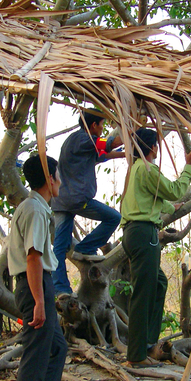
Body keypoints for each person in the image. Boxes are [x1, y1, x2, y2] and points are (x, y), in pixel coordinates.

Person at [121, 128, 191, 368]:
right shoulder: (148, 168)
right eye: (158, 144)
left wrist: (171, 208)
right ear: (152, 147)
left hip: (134, 233)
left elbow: (153, 199)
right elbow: (175, 189)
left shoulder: (135, 170)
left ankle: (147, 344)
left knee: (158, 283)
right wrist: (190, 166)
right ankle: (136, 354)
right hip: (144, 234)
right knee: (143, 293)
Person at [8, 154, 67, 381]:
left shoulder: (37, 207)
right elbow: (33, 257)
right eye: (58, 174)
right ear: (49, 178)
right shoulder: (34, 210)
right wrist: (40, 302)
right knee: (35, 353)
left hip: (39, 284)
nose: (61, 181)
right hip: (34, 286)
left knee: (56, 347)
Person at [52, 110, 126, 295]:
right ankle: (85, 247)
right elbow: (111, 144)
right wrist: (128, 128)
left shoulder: (77, 141)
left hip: (61, 200)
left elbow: (104, 154)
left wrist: (127, 154)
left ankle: (59, 288)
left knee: (59, 247)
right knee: (113, 217)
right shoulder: (85, 139)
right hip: (76, 199)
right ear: (94, 125)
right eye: (102, 125)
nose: (102, 129)